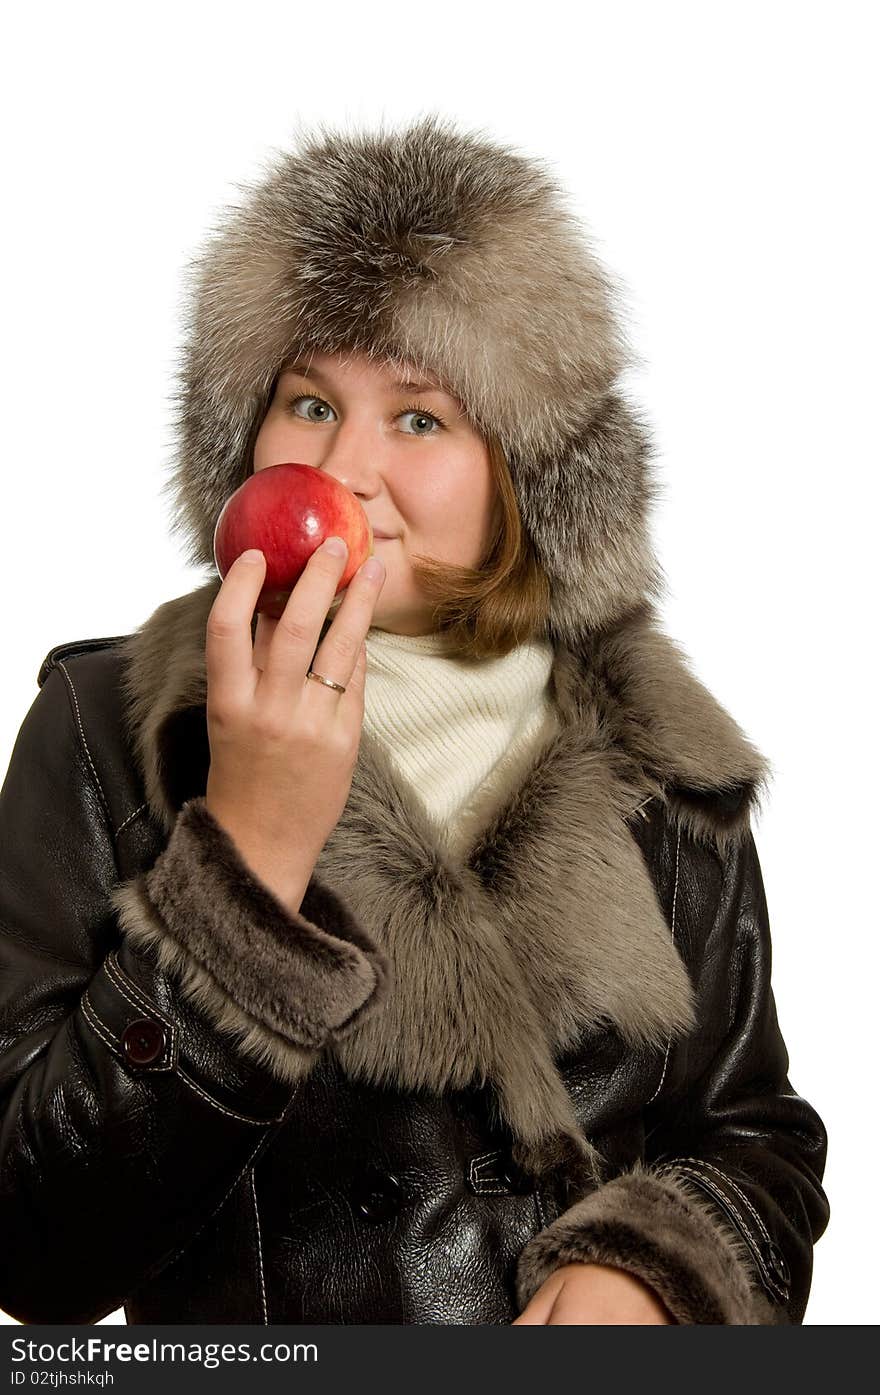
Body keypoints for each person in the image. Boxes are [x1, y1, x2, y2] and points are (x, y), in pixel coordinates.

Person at [0, 113, 829, 1326]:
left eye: (422, 418)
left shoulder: (660, 758)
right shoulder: (100, 728)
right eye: (308, 404)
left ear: (528, 476)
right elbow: (33, 1257)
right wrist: (249, 860)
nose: (346, 471)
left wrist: (652, 1273)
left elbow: (751, 1140)